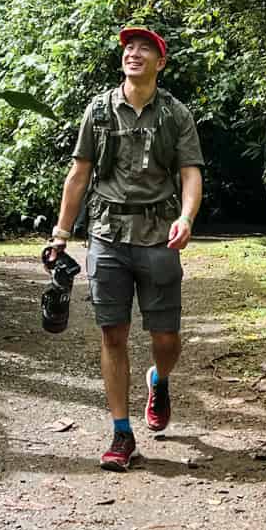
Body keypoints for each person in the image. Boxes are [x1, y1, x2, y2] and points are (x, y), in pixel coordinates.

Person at [46, 26, 204, 471]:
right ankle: (121, 432)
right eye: (129, 48)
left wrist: (186, 217)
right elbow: (79, 175)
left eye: (145, 49)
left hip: (159, 234)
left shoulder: (175, 114)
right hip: (107, 233)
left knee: (165, 338)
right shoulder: (98, 110)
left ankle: (160, 378)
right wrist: (61, 233)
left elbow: (190, 172)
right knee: (112, 333)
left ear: (161, 62)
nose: (134, 54)